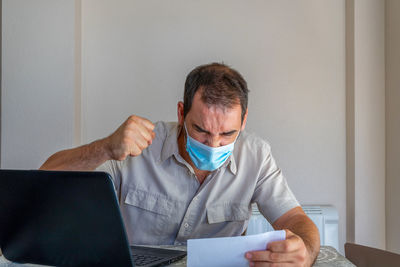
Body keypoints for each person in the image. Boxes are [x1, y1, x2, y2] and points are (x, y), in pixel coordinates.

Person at [40, 63, 320, 266]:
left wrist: (305, 252)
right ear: (181, 112)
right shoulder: (139, 145)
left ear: (243, 122)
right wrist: (104, 148)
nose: (213, 146)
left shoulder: (257, 156)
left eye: (227, 134)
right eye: (200, 130)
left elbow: (295, 220)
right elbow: (45, 182)